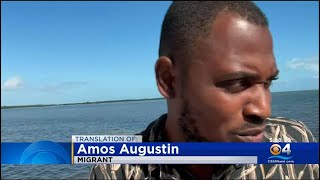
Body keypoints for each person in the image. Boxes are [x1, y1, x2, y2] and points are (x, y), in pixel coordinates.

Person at [89, 2, 318, 179]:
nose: (263, 110)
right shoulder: (115, 169)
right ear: (169, 80)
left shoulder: (296, 142)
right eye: (237, 82)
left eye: (268, 83)